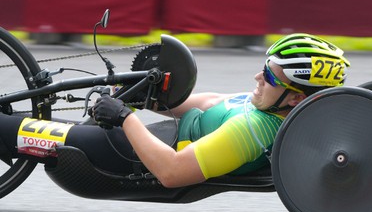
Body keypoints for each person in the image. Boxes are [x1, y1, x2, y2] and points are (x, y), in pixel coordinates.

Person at [90, 33, 350, 188]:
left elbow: (172, 172)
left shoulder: (253, 131)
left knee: (56, 137)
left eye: (270, 77)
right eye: (264, 67)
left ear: (295, 99)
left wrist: (123, 116)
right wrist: (145, 98)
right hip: (154, 136)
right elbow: (208, 102)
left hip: (141, 157)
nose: (258, 76)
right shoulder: (269, 106)